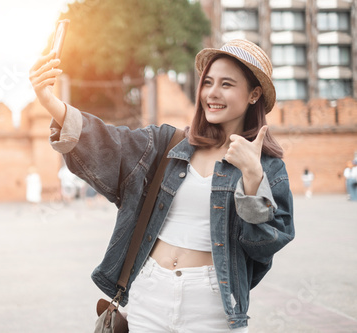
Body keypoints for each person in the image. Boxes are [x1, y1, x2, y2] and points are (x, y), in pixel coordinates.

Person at [29, 39, 294, 332]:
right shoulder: (166, 144)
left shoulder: (267, 167)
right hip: (149, 295)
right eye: (207, 82)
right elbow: (111, 143)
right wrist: (50, 102)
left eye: (227, 84)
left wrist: (252, 176)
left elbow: (265, 245)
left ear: (254, 94)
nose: (212, 93)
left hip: (212, 307)